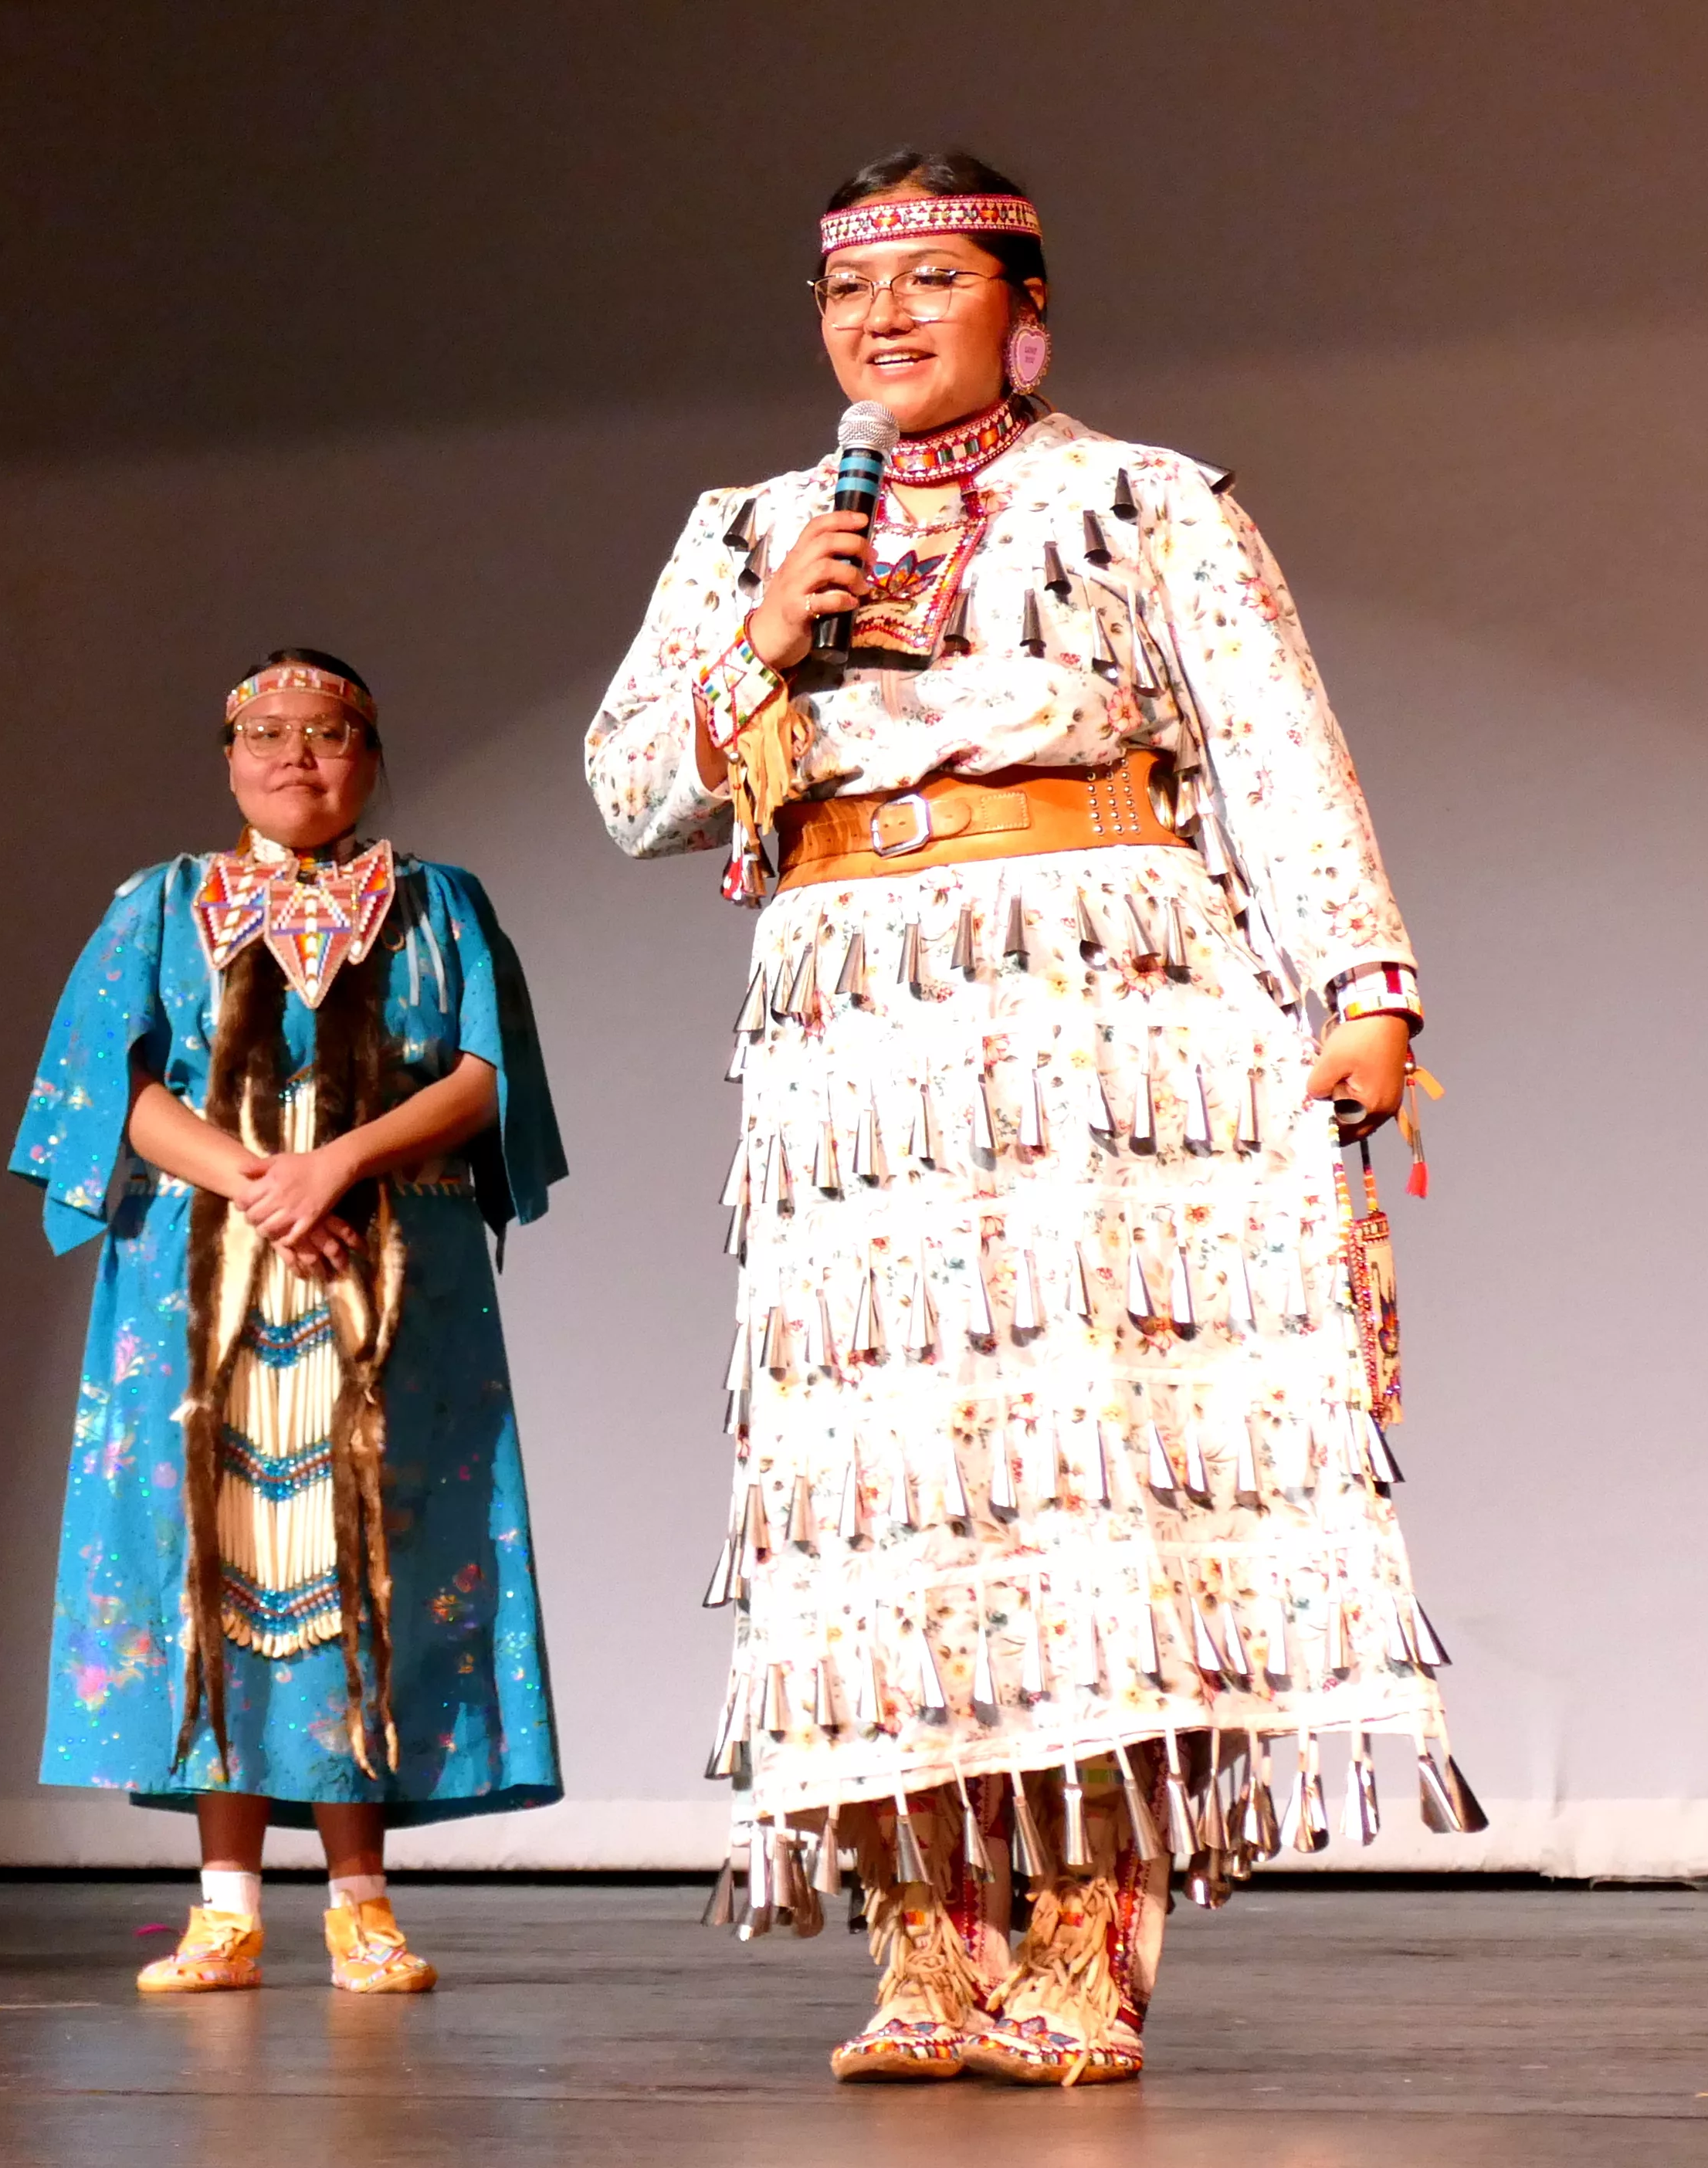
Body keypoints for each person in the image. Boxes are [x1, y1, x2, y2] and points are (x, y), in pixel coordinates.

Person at [584, 152, 1476, 2084]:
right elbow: (633, 792)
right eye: (851, 293)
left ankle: (1087, 1960)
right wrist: (762, 641)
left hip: (1104, 1017)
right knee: (891, 1496)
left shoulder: (1146, 501)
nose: (884, 320)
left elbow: (1276, 749)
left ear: (1028, 310)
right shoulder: (750, 533)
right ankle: (928, 1964)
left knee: (1098, 1486)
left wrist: (1366, 997)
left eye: (930, 281)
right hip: (852, 1041)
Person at [13, 649, 566, 1996]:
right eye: (264, 731)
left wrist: (341, 1164)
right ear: (226, 754)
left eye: (326, 732)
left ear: (370, 755)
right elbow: (111, 1092)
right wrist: (263, 1181)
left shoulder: (442, 905)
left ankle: (362, 1903)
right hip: (207, 1282)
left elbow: (486, 1078)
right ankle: (224, 1904)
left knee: (367, 1566)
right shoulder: (159, 905)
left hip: (387, 1287)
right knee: (221, 1567)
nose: (294, 756)